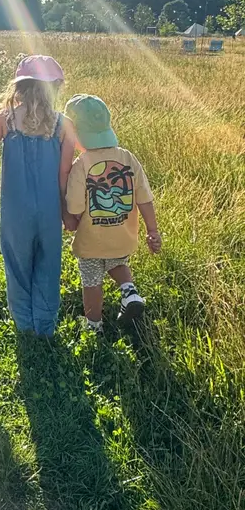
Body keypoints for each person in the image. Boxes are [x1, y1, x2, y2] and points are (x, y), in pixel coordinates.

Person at [0, 55, 75, 336]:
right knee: (49, 262)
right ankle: (45, 325)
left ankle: (24, 323)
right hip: (49, 209)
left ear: (19, 88)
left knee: (17, 263)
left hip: (15, 210)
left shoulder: (4, 120)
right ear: (56, 87)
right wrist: (65, 211)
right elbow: (64, 176)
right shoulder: (63, 125)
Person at [64, 94, 162, 333]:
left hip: (91, 240)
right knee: (118, 263)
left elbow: (75, 207)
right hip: (122, 236)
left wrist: (72, 220)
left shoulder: (82, 164)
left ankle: (93, 326)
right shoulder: (127, 157)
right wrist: (152, 230)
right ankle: (129, 292)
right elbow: (144, 198)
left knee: (92, 283)